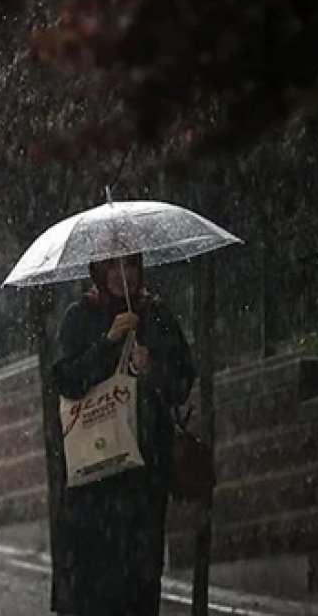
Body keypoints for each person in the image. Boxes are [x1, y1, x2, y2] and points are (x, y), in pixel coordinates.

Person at [50, 254, 196, 616]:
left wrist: (152, 368)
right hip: (94, 478)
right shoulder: (79, 317)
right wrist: (108, 343)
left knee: (141, 583)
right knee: (95, 586)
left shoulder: (156, 316)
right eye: (111, 267)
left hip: (144, 476)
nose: (121, 275)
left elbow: (181, 384)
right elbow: (66, 380)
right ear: (98, 271)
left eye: (129, 265)